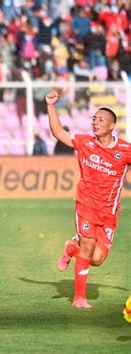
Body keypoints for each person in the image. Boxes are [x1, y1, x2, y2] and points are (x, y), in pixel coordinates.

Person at [46, 91, 130, 309]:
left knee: (98, 259)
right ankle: (79, 298)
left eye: (101, 120)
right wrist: (50, 106)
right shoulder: (85, 143)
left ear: (112, 125)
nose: (95, 122)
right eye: (94, 119)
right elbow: (58, 133)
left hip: (109, 213)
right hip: (86, 206)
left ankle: (70, 248)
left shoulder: (125, 150)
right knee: (88, 248)